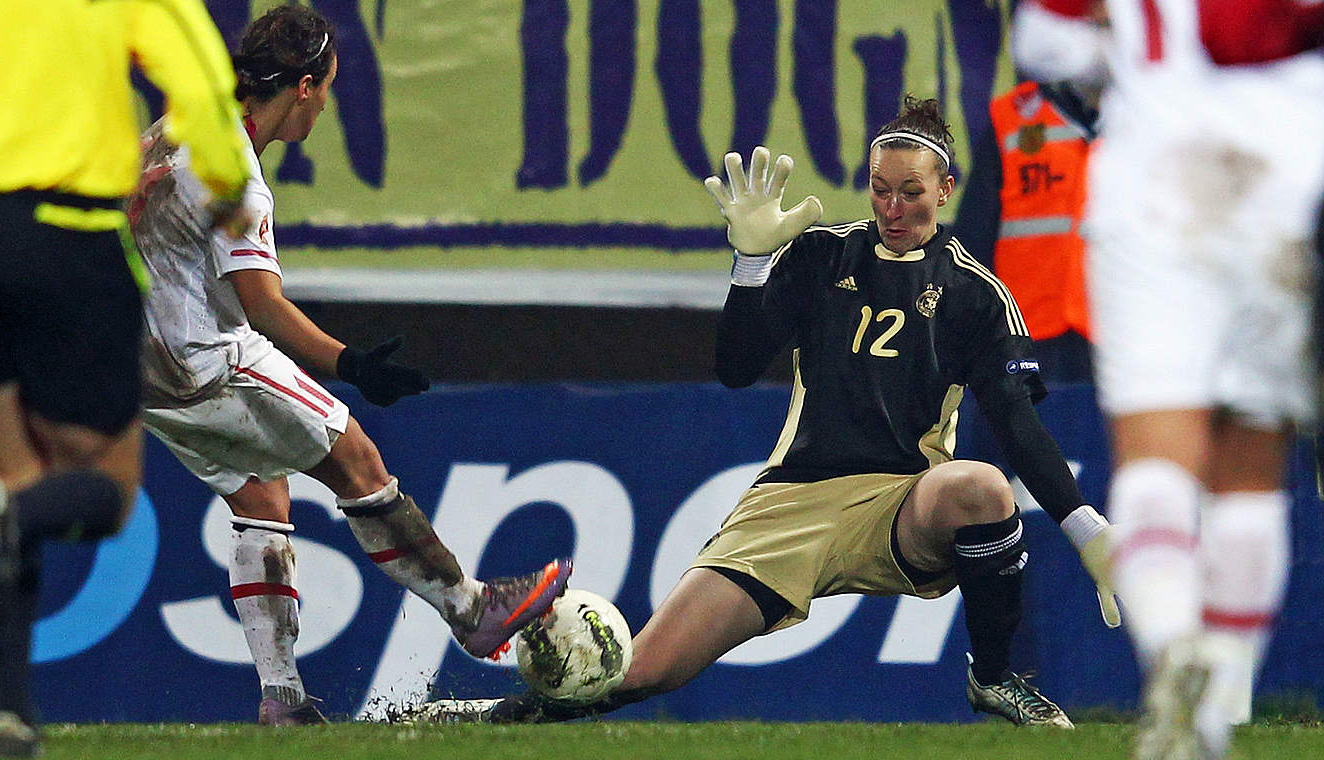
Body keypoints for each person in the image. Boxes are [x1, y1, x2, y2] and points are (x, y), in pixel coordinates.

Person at [415, 97, 1119, 728]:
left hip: (901, 501)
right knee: (642, 671)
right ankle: (488, 719)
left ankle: (995, 680)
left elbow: (1018, 426)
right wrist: (750, 266)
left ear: (947, 190)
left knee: (982, 489)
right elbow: (735, 368)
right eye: (880, 190)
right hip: (790, 504)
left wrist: (1085, 529)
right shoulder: (820, 256)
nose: (895, 209)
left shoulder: (976, 293)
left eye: (913, 193)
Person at [128, 4, 570, 725]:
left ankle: (283, 701)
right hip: (202, 359)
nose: (328, 104)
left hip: (140, 364)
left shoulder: (183, 121)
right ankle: (472, 611)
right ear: (303, 88)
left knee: (261, 498)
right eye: (327, 87)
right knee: (358, 461)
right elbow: (262, 304)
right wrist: (352, 362)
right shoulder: (234, 171)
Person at [1015, 1, 1324, 758]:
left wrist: (1119, 50)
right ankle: (1212, 716)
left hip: (1151, 186)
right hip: (1276, 188)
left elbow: (1043, 42)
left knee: (1157, 460)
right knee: (1250, 471)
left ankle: (1171, 647)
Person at [0, 0, 252, 756]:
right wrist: (224, 182)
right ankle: (6, 531)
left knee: (10, 478)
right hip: (69, 239)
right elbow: (200, 79)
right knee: (109, 491)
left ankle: (10, 714)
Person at [953, 78, 1101, 388]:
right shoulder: (1010, 119)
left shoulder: (1152, 119)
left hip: (1124, 336)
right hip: (1026, 338)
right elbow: (973, 245)